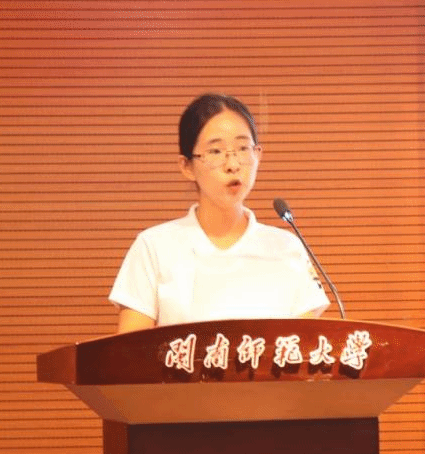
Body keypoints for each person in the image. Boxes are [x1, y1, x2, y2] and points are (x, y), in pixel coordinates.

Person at [109, 93, 329, 333]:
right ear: (187, 166)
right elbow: (129, 349)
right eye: (215, 152)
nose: (232, 165)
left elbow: (309, 345)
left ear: (258, 155)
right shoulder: (154, 247)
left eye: (243, 149)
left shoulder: (287, 248)